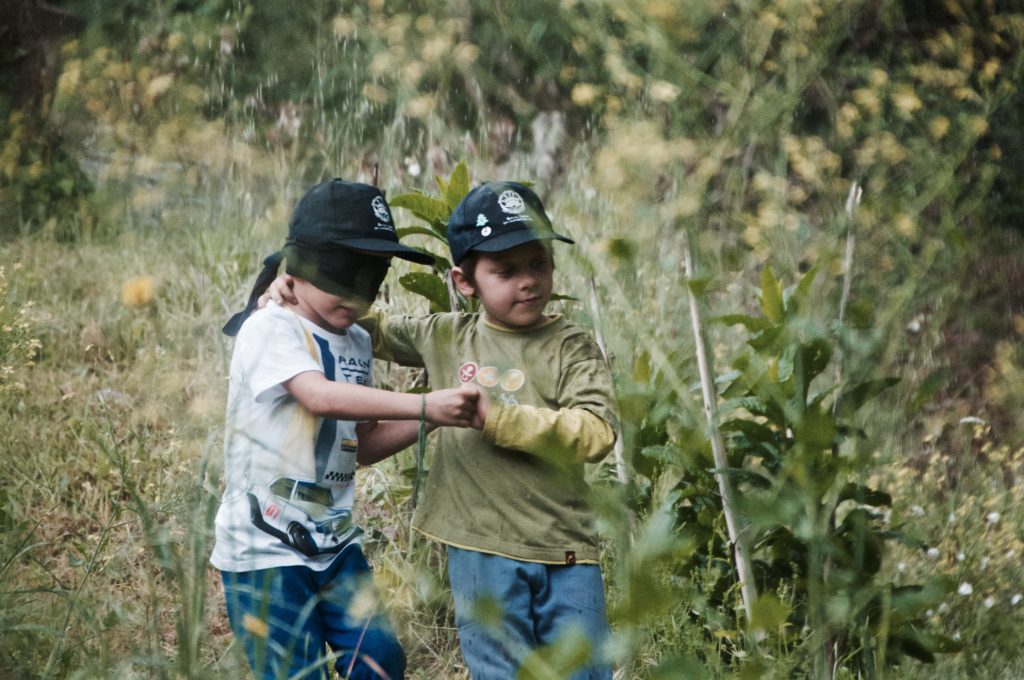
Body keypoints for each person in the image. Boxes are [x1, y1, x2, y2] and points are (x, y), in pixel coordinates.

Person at [267, 181, 618, 679]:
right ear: (465, 280)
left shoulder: (572, 346)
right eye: (506, 270)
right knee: (499, 669)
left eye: (538, 263)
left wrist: (498, 418)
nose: (528, 282)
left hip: (566, 548)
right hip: (478, 548)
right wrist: (295, 289)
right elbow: (364, 321)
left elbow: (596, 429)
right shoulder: (446, 335)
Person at [212, 178, 480, 680]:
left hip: (335, 545)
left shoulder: (356, 340)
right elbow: (317, 395)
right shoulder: (272, 326)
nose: (356, 295)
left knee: (380, 659)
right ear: (300, 264)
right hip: (264, 550)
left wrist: (442, 416)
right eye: (342, 273)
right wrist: (424, 404)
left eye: (371, 278)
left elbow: (363, 444)